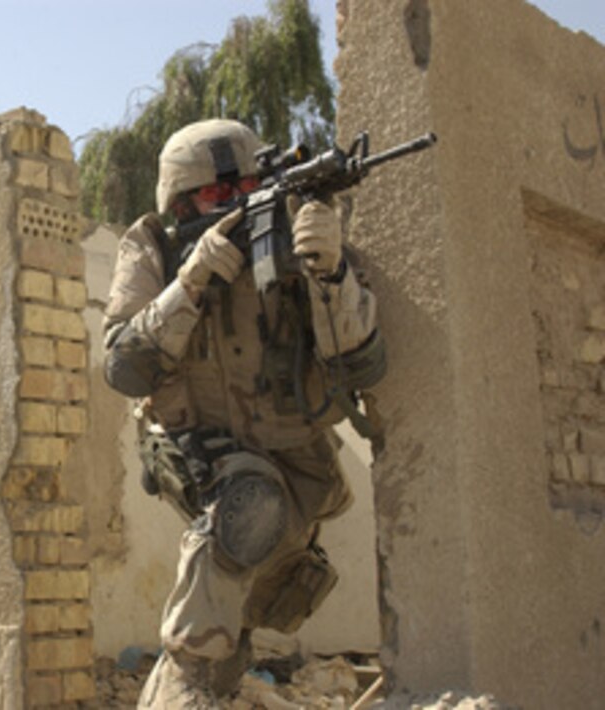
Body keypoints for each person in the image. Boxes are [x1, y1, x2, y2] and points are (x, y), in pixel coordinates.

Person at [103, 119, 385, 708]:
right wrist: (191, 281)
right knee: (245, 513)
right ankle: (182, 688)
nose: (239, 202)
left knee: (244, 612)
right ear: (181, 203)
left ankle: (197, 685)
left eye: (250, 187)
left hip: (297, 464)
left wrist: (331, 276)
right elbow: (125, 368)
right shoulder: (154, 244)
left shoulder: (295, 235)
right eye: (217, 196)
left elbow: (362, 368)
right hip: (196, 449)